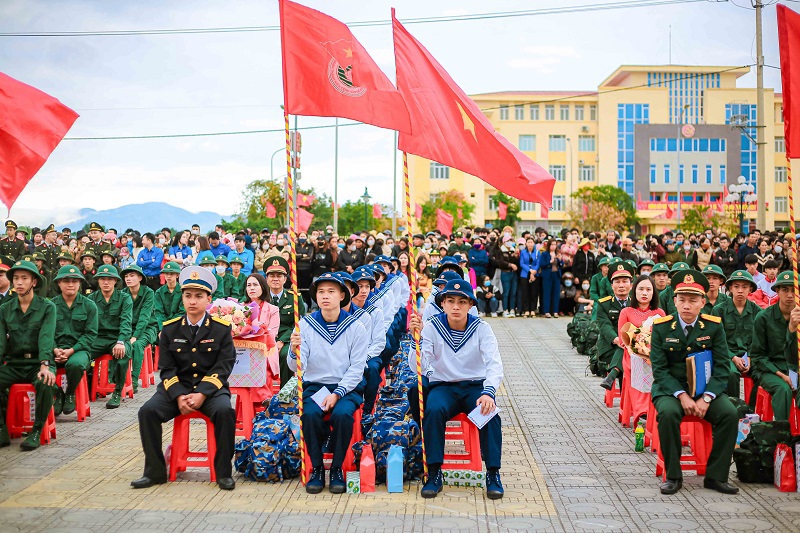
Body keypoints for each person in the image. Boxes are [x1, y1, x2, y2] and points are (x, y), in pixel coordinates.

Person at [132, 266, 237, 491]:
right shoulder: (170, 330)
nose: (192, 301)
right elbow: (166, 369)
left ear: (209, 299)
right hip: (176, 389)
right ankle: (154, 471)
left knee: (225, 412)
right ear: (182, 298)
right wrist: (179, 395)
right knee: (147, 412)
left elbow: (224, 367)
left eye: (199, 296)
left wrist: (202, 393)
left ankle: (223, 472)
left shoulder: (221, 329)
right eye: (188, 295)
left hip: (210, 390)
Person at [649, 269, 739, 495]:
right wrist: (682, 395)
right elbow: (659, 369)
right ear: (674, 301)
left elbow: (721, 367)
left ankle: (716, 476)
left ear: (702, 302)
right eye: (682, 300)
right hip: (671, 391)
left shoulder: (713, 326)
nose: (686, 305)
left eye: (692, 300)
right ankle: (673, 475)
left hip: (705, 390)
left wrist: (707, 398)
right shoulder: (661, 327)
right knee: (668, 415)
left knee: (729, 414)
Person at [413, 279, 504, 499]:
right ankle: (434, 472)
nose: (456, 306)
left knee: (490, 414)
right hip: (444, 386)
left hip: (475, 387)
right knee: (433, 410)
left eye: (462, 302)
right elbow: (421, 367)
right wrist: (417, 339)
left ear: (471, 305)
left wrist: (489, 392)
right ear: (442, 303)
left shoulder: (482, 328)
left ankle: (492, 473)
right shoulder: (433, 326)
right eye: (450, 301)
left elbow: (494, 363)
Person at [288, 272, 368, 494]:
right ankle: (315, 467)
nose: (325, 296)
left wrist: (338, 393)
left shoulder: (356, 327)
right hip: (316, 386)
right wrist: (293, 350)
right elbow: (297, 367)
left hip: (346, 387)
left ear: (342, 295)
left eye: (331, 291)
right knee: (311, 414)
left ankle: (336, 469)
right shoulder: (305, 325)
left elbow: (357, 368)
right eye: (321, 291)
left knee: (342, 415)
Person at [0, 260, 57, 450]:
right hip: (14, 363)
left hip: (37, 362)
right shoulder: (4, 309)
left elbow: (46, 337)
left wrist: (45, 364)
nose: (19, 283)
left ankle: (36, 430)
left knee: (46, 382)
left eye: (24, 278)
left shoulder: (47, 307)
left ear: (34, 282)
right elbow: (0, 342)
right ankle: (2, 430)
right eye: (15, 278)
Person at [749, 271, 799, 421]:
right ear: (777, 291)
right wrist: (781, 375)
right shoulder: (763, 318)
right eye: (785, 290)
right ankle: (781, 435)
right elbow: (758, 356)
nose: (790, 295)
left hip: (795, 369)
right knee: (783, 389)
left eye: (793, 290)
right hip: (770, 370)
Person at [51, 266, 99, 417]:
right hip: (54, 350)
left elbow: (90, 335)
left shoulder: (89, 305)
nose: (70, 284)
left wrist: (71, 350)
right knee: (36, 366)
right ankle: (58, 392)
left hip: (79, 350)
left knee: (76, 364)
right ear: (59, 283)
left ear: (80, 283)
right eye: (66, 281)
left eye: (74, 281)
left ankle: (70, 392)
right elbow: (45, 334)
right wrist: (54, 349)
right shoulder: (50, 306)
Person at [617, 274, 665, 419]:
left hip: (654, 355)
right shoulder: (626, 312)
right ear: (634, 291)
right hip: (632, 356)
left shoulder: (659, 313)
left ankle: (654, 406)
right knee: (638, 364)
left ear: (653, 292)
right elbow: (622, 339)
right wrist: (637, 348)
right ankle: (642, 410)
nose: (644, 293)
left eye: (648, 290)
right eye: (641, 289)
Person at [88, 265, 134, 409]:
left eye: (109, 279)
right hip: (97, 339)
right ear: (98, 281)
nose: (106, 282)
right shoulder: (92, 299)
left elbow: (126, 322)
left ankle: (117, 391)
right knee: (80, 356)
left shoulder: (124, 298)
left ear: (115, 281)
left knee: (122, 356)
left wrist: (121, 341)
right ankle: (83, 389)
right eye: (102, 279)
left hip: (118, 338)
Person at [712, 270, 759, 400]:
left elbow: (758, 339)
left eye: (744, 287)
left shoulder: (757, 311)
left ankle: (751, 409)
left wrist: (749, 357)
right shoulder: (719, 310)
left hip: (751, 355)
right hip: (727, 355)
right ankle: (733, 409)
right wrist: (733, 357)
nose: (740, 290)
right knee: (731, 373)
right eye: (736, 286)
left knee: (762, 374)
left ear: (750, 289)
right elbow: (717, 341)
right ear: (730, 288)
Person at [265, 257, 307, 387]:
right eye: (272, 275)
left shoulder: (294, 298)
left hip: (287, 338)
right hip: (264, 339)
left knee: (285, 355)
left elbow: (298, 324)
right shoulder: (261, 297)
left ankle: (285, 394)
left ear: (285, 279)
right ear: (266, 279)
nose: (275, 279)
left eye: (279, 275)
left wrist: (281, 341)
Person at [120, 265, 158, 395]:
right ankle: (114, 377)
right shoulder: (123, 293)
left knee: (137, 345)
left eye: (132, 276)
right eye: (126, 276)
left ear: (140, 278)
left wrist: (135, 336)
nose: (128, 279)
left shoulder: (148, 292)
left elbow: (144, 317)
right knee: (117, 344)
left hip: (148, 327)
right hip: (128, 328)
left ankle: (134, 379)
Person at [598, 262, 635, 390]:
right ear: (612, 285)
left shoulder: (636, 303)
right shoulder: (604, 304)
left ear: (631, 285)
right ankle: (627, 401)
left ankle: (613, 375)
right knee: (624, 349)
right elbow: (605, 326)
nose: (621, 285)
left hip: (632, 346)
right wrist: (617, 340)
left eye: (625, 281)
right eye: (617, 282)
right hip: (609, 347)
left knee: (625, 349)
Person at [493, 235, 519, 317]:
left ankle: (512, 309)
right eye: (508, 240)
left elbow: (517, 263)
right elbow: (500, 262)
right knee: (506, 292)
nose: (510, 242)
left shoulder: (513, 250)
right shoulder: (500, 251)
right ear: (504, 242)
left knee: (513, 292)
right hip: (505, 273)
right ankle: (505, 310)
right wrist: (510, 264)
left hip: (513, 274)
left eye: (511, 240)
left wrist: (516, 257)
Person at [154, 262, 185, 329]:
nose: (168, 276)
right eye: (166, 273)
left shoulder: (184, 292)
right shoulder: (159, 292)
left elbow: (182, 312)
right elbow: (158, 312)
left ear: (177, 275)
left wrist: (169, 327)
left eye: (171, 274)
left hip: (179, 324)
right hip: (161, 325)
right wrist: (163, 328)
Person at [538, 239, 562, 318]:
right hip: (548, 275)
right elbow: (542, 264)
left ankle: (555, 311)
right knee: (547, 293)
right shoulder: (545, 254)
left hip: (556, 275)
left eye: (555, 245)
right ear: (549, 245)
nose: (553, 246)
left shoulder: (557, 254)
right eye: (552, 245)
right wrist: (550, 262)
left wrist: (560, 260)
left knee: (556, 293)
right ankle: (546, 311)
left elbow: (561, 265)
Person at [518, 237, 540, 318]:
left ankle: (533, 309)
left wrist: (534, 271)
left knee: (534, 292)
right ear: (526, 244)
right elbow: (522, 263)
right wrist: (530, 270)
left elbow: (538, 263)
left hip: (535, 274)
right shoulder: (523, 252)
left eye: (531, 242)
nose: (530, 244)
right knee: (525, 292)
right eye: (528, 242)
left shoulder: (537, 252)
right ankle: (526, 310)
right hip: (525, 273)